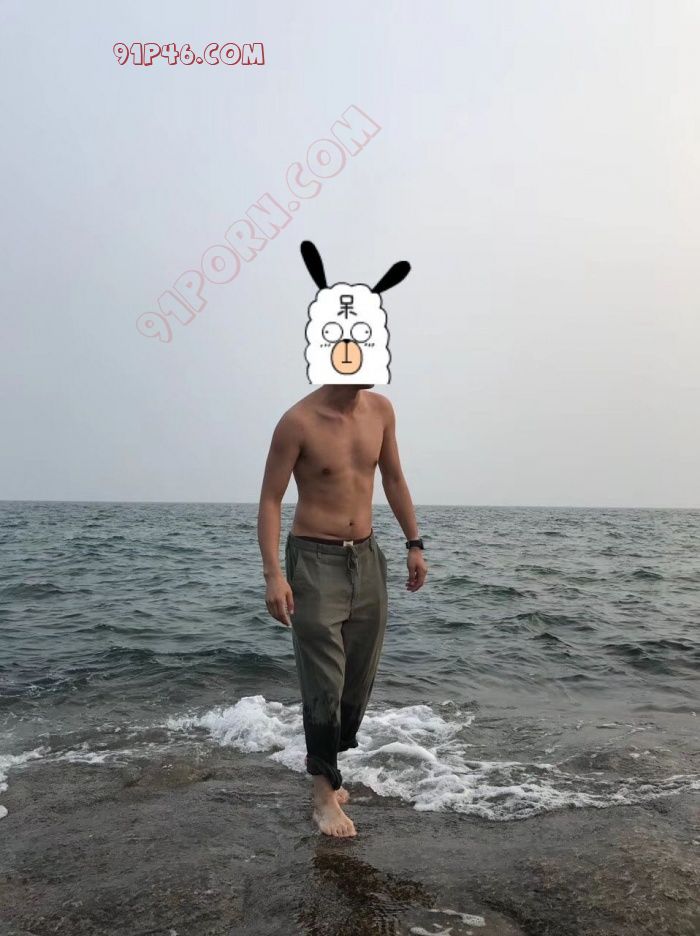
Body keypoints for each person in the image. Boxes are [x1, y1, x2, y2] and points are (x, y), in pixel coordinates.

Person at [257, 383, 427, 837]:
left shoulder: (381, 410)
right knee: (324, 679)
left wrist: (414, 543)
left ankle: (329, 764)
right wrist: (274, 574)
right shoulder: (297, 422)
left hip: (367, 558)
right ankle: (322, 793)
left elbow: (393, 478)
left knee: (357, 676)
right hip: (313, 560)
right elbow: (271, 498)